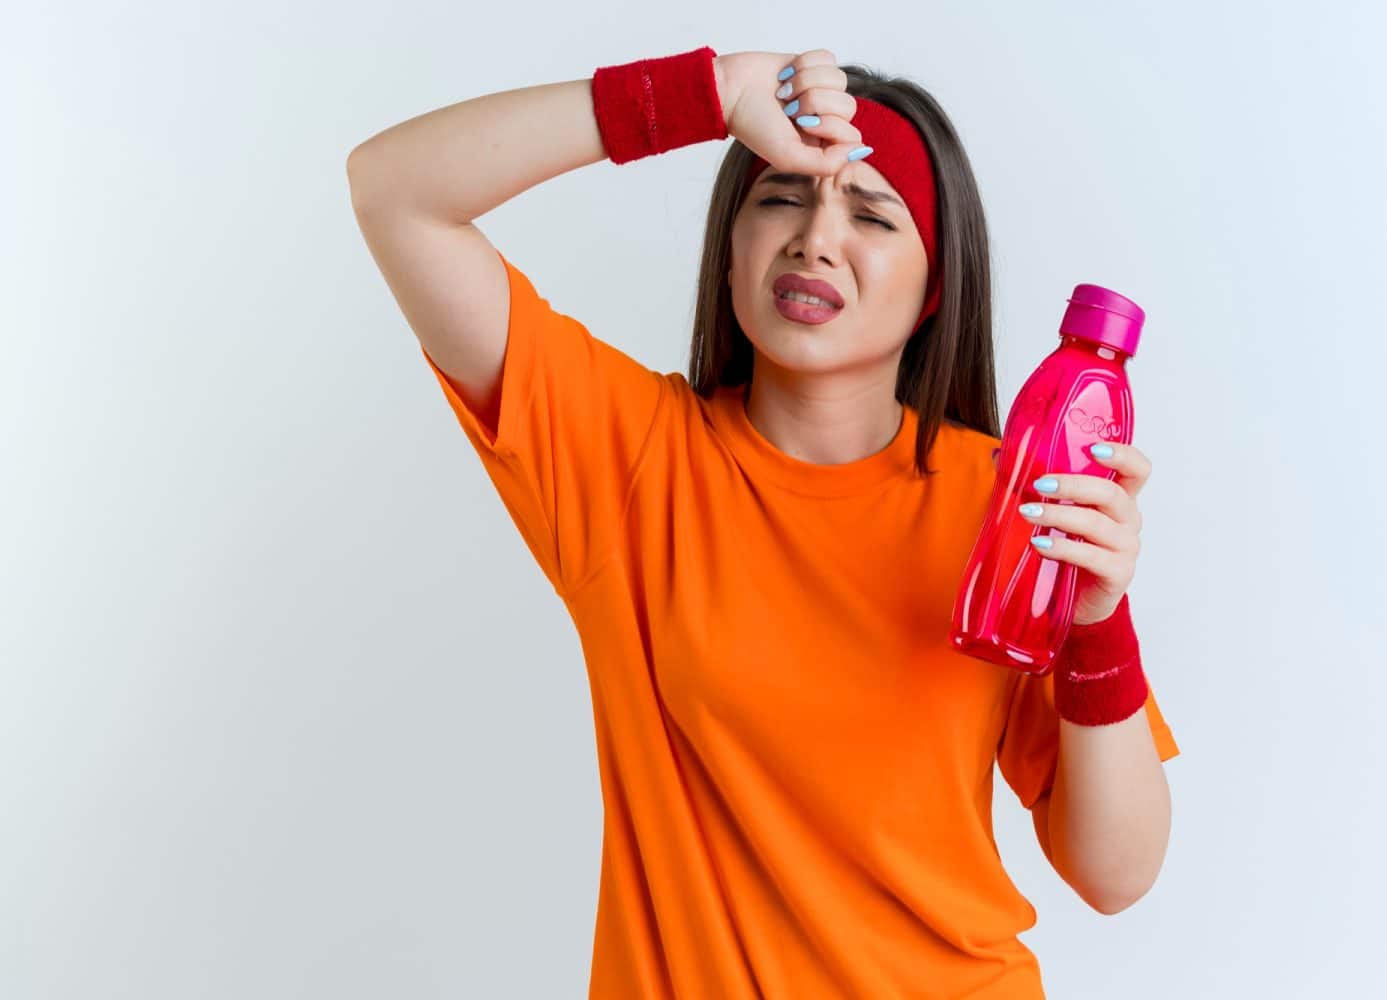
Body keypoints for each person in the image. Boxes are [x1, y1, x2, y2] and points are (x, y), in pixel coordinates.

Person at [348, 45, 1180, 999]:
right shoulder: (632, 460)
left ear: (935, 286)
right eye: (782, 197)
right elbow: (395, 191)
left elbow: (1116, 874)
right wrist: (703, 95)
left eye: (872, 214)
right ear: (731, 245)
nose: (816, 240)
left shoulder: (1005, 502)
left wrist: (1096, 619)